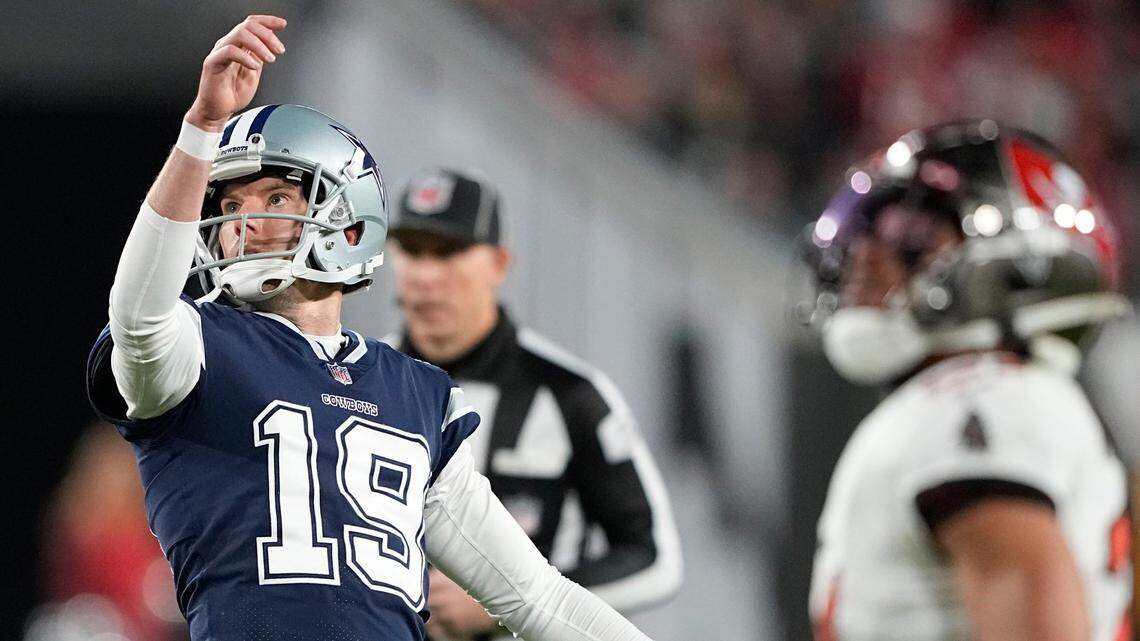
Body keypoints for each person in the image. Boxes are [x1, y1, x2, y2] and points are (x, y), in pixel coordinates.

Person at [85, 15, 660, 641]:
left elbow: (538, 599)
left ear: (350, 225)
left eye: (276, 199)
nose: (243, 224)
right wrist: (199, 130)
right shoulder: (199, 348)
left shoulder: (416, 393)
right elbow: (139, 319)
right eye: (228, 206)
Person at [799, 120, 1133, 641]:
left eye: (909, 232)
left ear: (1022, 266)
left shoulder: (978, 397)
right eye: (865, 233)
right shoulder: (997, 396)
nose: (865, 256)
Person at [384, 168, 683, 640]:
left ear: (500, 263)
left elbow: (653, 560)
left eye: (448, 251)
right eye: (411, 251)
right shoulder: (356, 382)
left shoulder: (571, 393)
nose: (425, 275)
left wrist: (500, 599)